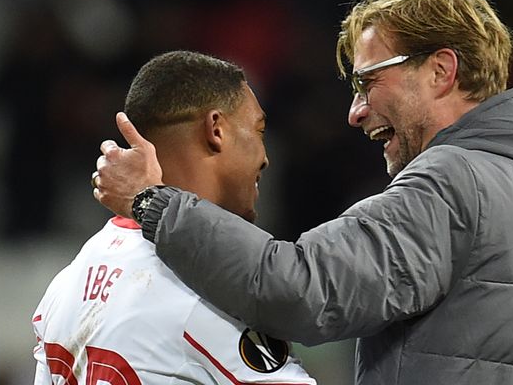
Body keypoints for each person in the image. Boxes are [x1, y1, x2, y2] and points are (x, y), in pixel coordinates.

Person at [93, 0, 513, 384]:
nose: (355, 111)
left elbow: (300, 286)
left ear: (441, 71)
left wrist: (152, 201)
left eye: (369, 82)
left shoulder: (457, 181)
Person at [33, 51, 316, 385]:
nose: (265, 157)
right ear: (216, 130)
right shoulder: (211, 291)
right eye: (259, 131)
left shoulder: (64, 287)